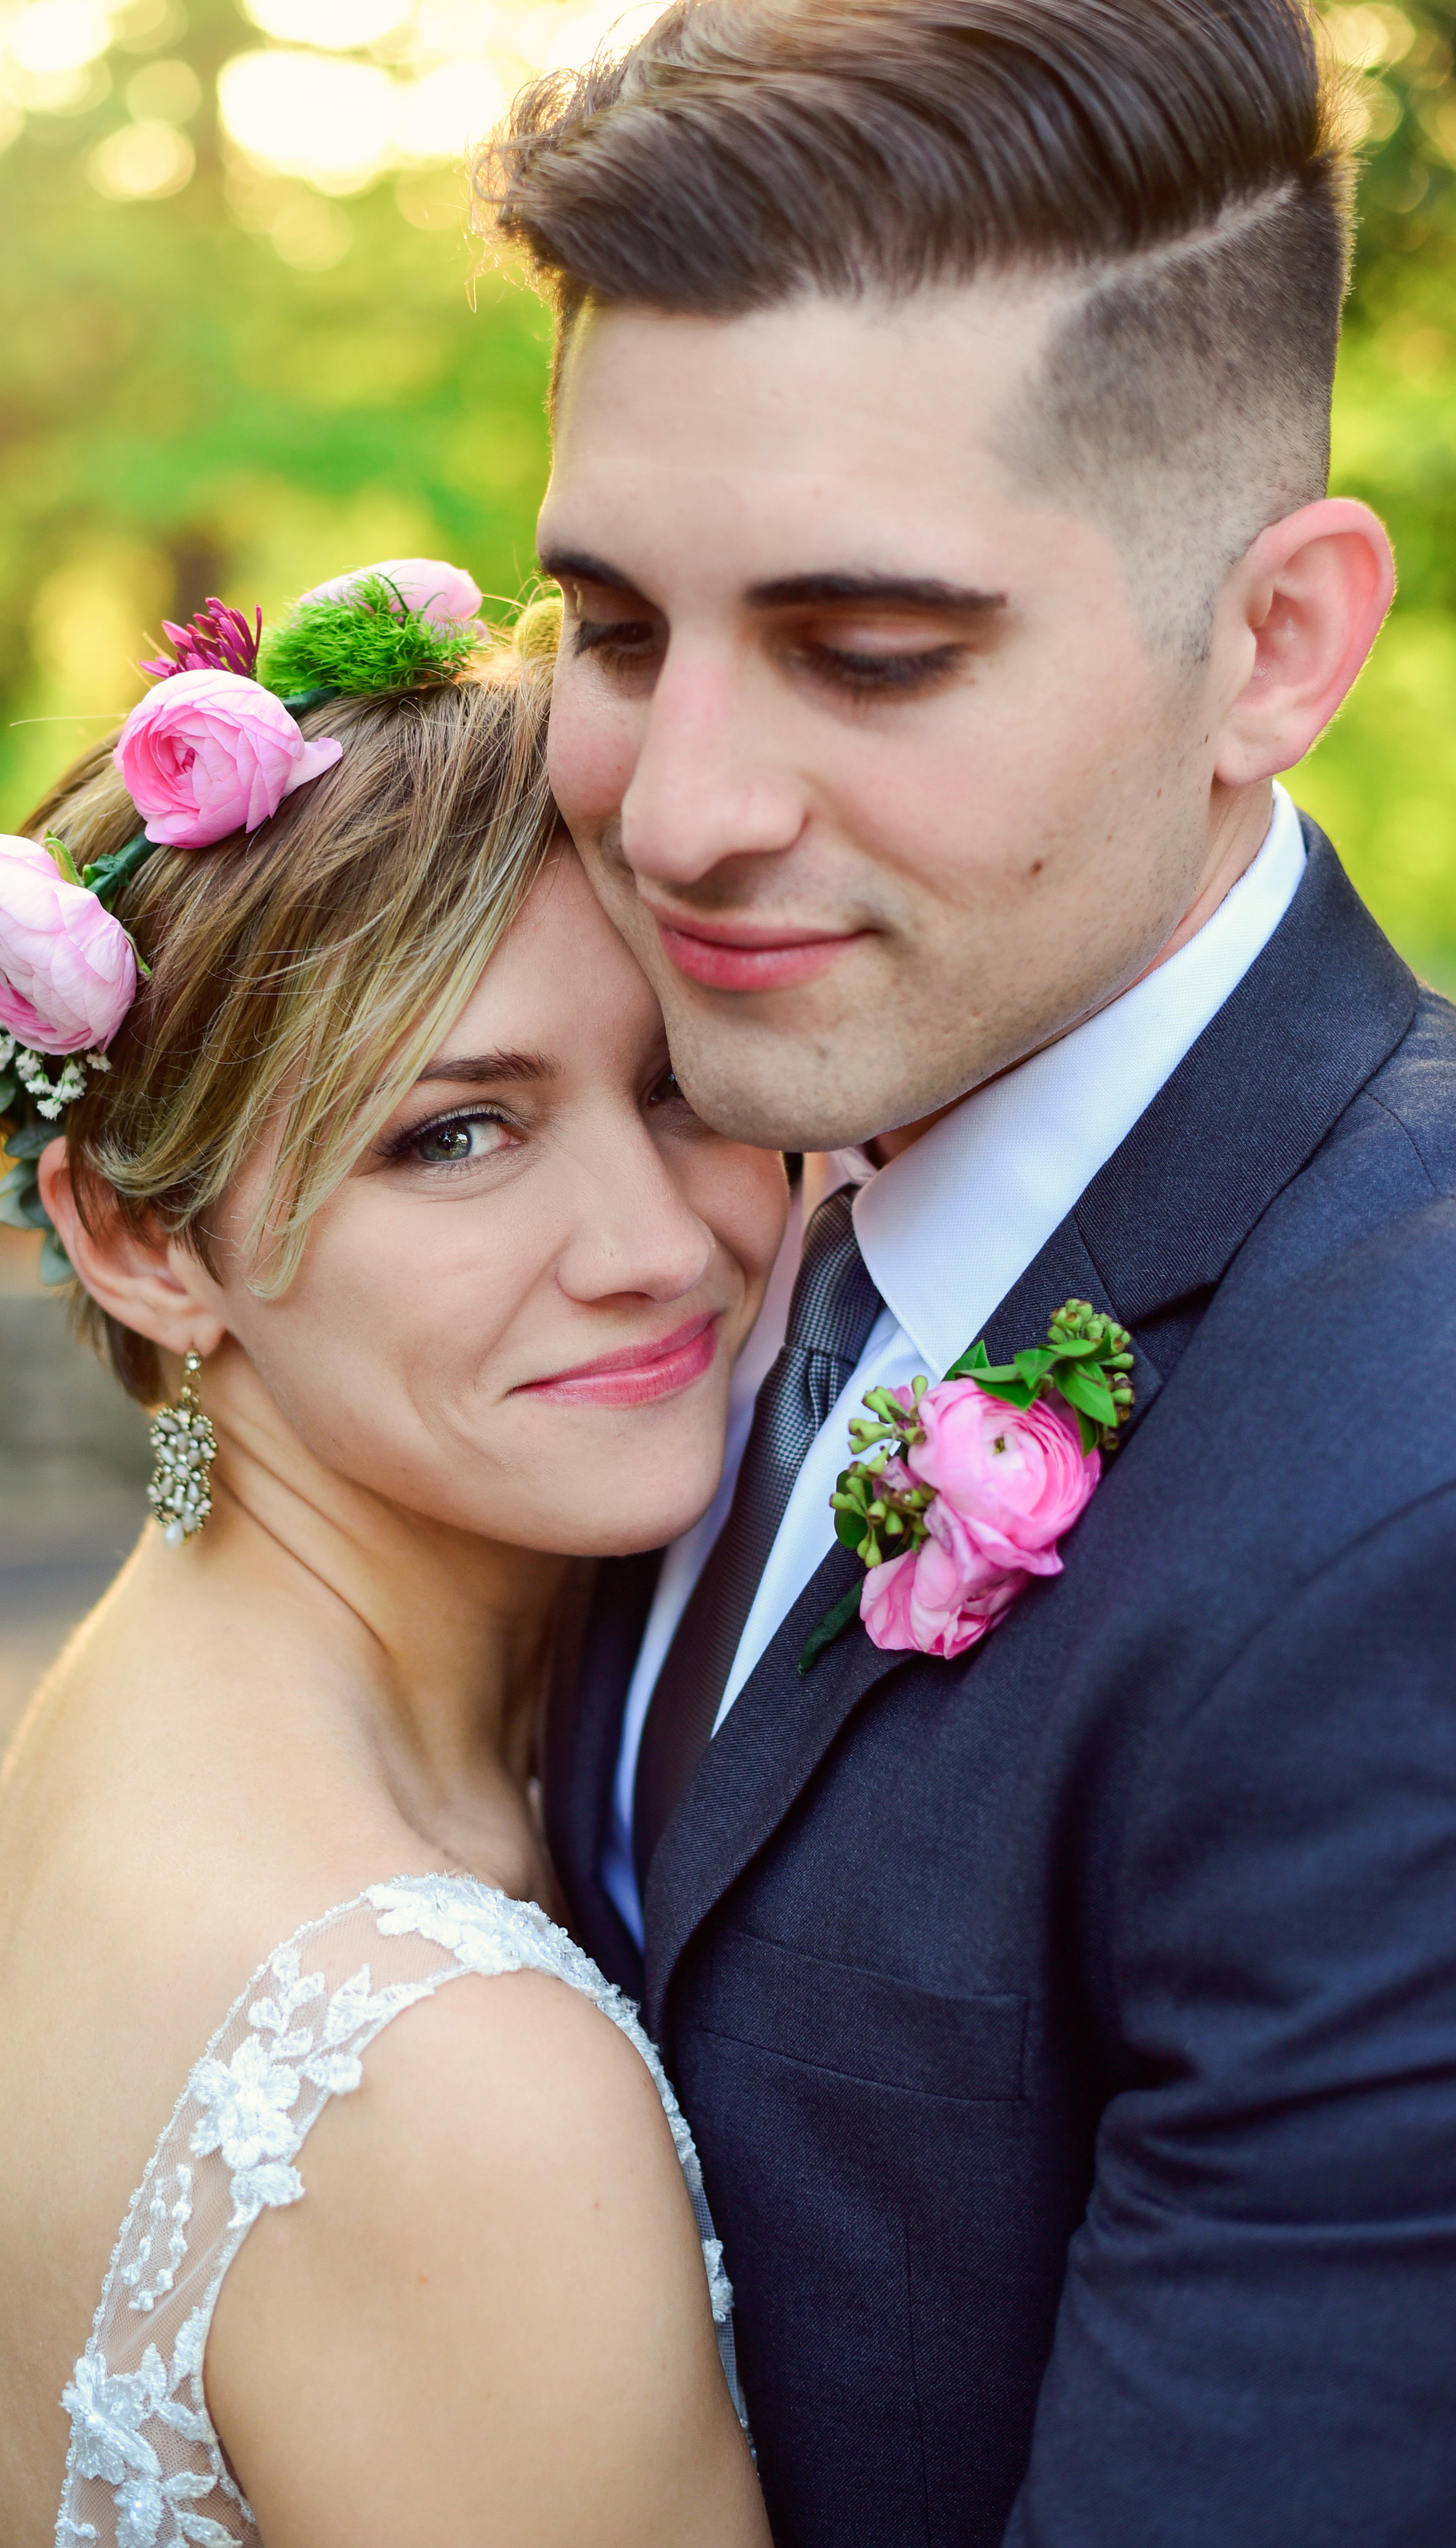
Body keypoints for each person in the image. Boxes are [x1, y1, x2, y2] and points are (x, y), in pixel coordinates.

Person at [475, 0, 1456, 2540]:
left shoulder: (1414, 1499)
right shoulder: (669, 1200)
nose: (677, 811)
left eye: (870, 653)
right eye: (607, 627)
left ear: (1274, 646)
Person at [0, 582, 782, 2547]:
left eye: (681, 1083)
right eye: (456, 1135)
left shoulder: (155, 1684)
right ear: (138, 1239)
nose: (651, 1239)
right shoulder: (441, 2078)